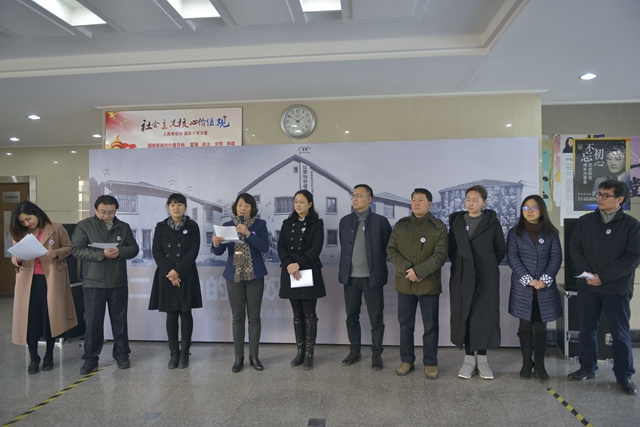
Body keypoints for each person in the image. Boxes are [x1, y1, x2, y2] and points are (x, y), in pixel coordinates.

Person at [568, 180, 640, 395]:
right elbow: (575, 248)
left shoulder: (631, 225)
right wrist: (590, 275)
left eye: (605, 195)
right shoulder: (586, 222)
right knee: (587, 329)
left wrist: (604, 277)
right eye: (599, 194)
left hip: (616, 288)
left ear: (620, 199)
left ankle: (624, 375)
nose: (600, 198)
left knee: (619, 333)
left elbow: (632, 257)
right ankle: (587, 367)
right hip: (588, 285)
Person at [71, 195, 139, 374]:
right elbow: (76, 250)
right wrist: (101, 254)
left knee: (119, 320)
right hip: (94, 282)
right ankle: (90, 359)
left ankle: (122, 355)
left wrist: (120, 251)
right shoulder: (84, 226)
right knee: (93, 322)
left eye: (111, 212)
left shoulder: (123, 227)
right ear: (95, 210)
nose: (107, 216)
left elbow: (134, 248)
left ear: (116, 211)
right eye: (103, 212)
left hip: (118, 281)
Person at [10, 201, 78, 374]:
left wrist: (56, 253)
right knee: (30, 320)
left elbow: (68, 248)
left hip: (51, 279)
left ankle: (49, 355)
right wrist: (18, 259)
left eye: (28, 219)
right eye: (23, 221)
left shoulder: (55, 227)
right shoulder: (20, 232)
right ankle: (34, 358)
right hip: (28, 281)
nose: (27, 223)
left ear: (36, 213)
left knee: (50, 318)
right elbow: (14, 257)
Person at [387, 188, 448, 378]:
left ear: (430, 204)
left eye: (421, 200)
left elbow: (440, 255)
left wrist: (419, 271)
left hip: (429, 285)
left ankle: (430, 363)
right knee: (405, 325)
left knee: (430, 326)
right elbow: (391, 249)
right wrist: (408, 270)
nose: (416, 203)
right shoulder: (401, 225)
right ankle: (407, 360)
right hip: (405, 284)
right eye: (414, 199)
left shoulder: (438, 227)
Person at [449, 185, 505, 380]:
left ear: (484, 202)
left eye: (475, 200)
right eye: (468, 199)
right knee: (464, 315)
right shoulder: (457, 221)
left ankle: (482, 360)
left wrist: (486, 266)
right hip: (462, 276)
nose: (470, 203)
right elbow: (451, 248)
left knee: (483, 317)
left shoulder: (492, 222)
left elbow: (500, 249)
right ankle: (468, 360)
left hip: (486, 277)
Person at [506, 195, 562, 380]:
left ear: (541, 210)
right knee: (524, 325)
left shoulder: (551, 232)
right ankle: (526, 362)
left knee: (541, 326)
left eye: (534, 208)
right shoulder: (515, 232)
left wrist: (544, 280)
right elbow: (512, 258)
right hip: (523, 287)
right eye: (525, 208)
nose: (529, 211)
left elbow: (556, 258)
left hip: (544, 288)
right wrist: (529, 280)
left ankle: (539, 364)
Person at [212, 193, 269, 373]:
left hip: (254, 276)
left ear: (252, 208)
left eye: (246, 205)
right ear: (235, 208)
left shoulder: (260, 225)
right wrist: (216, 243)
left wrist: (247, 233)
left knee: (254, 317)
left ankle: (254, 356)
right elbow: (219, 252)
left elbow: (264, 247)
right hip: (233, 277)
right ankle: (239, 357)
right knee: (237, 317)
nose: (242, 208)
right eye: (239, 205)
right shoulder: (227, 226)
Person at [338, 184, 392, 370]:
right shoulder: (345, 221)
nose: (354, 198)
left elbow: (388, 248)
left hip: (372, 278)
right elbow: (344, 246)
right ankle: (355, 351)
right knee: (351, 317)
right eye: (353, 195)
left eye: (359, 195)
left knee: (376, 318)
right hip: (351, 278)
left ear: (369, 200)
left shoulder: (380, 222)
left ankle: (376, 354)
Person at [149, 193, 203, 369]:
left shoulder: (192, 226)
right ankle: (174, 353)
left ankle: (185, 353)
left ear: (185, 207)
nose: (176, 207)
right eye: (172, 205)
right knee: (171, 314)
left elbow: (193, 251)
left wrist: (178, 271)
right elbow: (157, 251)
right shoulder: (161, 227)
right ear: (168, 208)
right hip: (167, 276)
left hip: (186, 274)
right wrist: (170, 272)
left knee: (186, 314)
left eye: (179, 204)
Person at [278, 190, 326, 370]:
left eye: (302, 201)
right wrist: (290, 264)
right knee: (297, 315)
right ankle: (300, 351)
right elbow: (281, 247)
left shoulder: (317, 223)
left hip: (308, 271)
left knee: (309, 314)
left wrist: (299, 264)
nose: (298, 205)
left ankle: (309, 353)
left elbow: (316, 248)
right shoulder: (287, 223)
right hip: (291, 272)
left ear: (310, 204)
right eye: (296, 201)